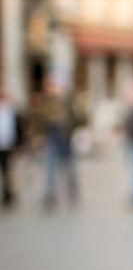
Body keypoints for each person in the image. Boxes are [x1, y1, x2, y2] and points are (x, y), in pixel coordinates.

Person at [31, 77, 81, 211]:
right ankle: (50, 193)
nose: (52, 90)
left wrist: (70, 131)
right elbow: (39, 120)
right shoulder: (44, 102)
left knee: (69, 165)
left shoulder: (66, 100)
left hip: (64, 135)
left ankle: (72, 190)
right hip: (51, 135)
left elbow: (76, 117)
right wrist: (38, 136)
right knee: (50, 166)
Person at [0, 89, 21, 208]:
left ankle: (8, 194)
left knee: (7, 170)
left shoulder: (9, 110)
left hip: (7, 144)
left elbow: (15, 127)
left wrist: (17, 143)